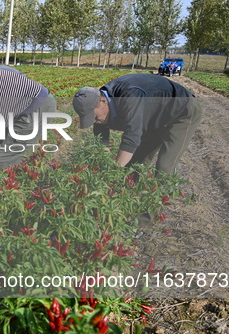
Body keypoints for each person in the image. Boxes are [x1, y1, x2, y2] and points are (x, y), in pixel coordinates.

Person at [73, 73, 202, 226]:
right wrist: (106, 170)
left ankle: (142, 222)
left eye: (94, 117)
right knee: (134, 164)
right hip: (154, 119)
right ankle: (122, 204)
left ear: (102, 102)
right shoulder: (99, 101)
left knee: (164, 167)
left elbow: (131, 138)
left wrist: (114, 174)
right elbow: (102, 143)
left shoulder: (129, 96)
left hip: (181, 112)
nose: (95, 122)